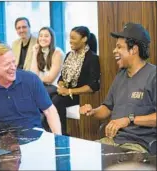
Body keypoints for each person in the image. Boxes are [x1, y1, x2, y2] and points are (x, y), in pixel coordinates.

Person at [80, 22, 156, 153]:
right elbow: (107, 108)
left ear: (134, 49)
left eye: (119, 47)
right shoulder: (120, 75)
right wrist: (93, 111)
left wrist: (129, 120)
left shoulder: (153, 75)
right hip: (113, 141)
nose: (114, 51)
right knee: (84, 155)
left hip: (139, 145)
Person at [0, 44, 62, 135]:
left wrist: (58, 139)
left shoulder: (31, 79)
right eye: (7, 64)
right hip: (3, 141)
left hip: (35, 137)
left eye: (13, 62)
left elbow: (50, 111)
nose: (13, 67)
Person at [52, 26, 101, 134]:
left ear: (84, 39)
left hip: (80, 95)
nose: (70, 41)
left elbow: (93, 86)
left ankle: (61, 134)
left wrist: (69, 91)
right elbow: (62, 77)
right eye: (70, 38)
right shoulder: (69, 55)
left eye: (73, 38)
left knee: (56, 101)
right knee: (47, 94)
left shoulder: (92, 58)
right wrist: (62, 86)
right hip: (66, 92)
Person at [30, 27, 64, 97]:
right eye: (41, 36)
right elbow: (33, 74)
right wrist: (35, 53)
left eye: (46, 36)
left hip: (55, 86)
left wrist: (36, 79)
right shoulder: (39, 52)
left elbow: (50, 79)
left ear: (52, 38)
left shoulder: (57, 53)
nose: (43, 38)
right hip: (43, 85)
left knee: (35, 94)